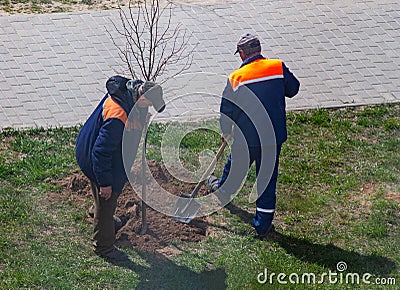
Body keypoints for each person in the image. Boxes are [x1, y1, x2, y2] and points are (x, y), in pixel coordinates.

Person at [207, 33, 300, 238]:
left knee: (236, 168)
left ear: (242, 53)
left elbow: (227, 109)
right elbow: (293, 89)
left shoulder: (236, 78)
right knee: (266, 179)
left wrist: (226, 129)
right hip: (272, 137)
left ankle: (222, 193)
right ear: (259, 49)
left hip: (246, 137)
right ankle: (262, 225)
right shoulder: (277, 67)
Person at [75, 75, 165, 262]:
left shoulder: (128, 93)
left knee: (104, 201)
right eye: (148, 104)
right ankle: (103, 246)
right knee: (107, 199)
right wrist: (105, 182)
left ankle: (98, 212)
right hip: (96, 157)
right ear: (141, 97)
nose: (149, 108)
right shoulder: (118, 115)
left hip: (94, 150)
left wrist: (141, 118)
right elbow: (101, 153)